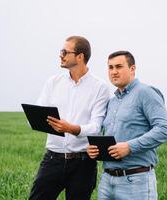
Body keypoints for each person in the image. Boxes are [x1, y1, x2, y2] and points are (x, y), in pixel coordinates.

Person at [28, 36, 110, 200]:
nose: (61, 55)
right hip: (52, 158)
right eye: (61, 51)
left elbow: (95, 127)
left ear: (80, 56)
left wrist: (71, 128)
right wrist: (34, 118)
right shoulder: (53, 82)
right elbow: (39, 112)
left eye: (65, 52)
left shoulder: (100, 87)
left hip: (83, 163)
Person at [87, 50, 167, 200]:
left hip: (136, 181)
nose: (114, 72)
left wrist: (129, 147)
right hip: (107, 180)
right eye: (110, 67)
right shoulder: (112, 101)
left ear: (132, 68)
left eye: (119, 66)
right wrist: (96, 150)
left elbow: (166, 129)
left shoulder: (146, 93)